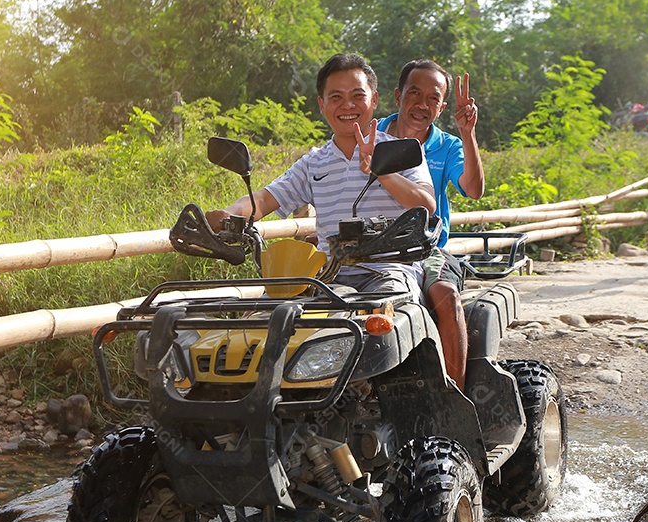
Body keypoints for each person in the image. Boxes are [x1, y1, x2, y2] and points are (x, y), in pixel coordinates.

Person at [205, 53, 436, 300]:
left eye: (358, 96)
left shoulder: (403, 150)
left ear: (374, 100)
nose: (347, 105)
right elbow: (263, 199)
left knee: (389, 314)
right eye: (336, 97)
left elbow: (426, 204)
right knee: (275, 315)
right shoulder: (313, 163)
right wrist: (228, 215)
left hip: (389, 272)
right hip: (328, 275)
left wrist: (382, 173)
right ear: (322, 105)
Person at [378, 60, 485, 390]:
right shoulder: (370, 135)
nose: (422, 104)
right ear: (398, 96)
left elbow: (473, 188)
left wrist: (467, 134)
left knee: (444, 294)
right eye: (414, 93)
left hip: (425, 251)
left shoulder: (447, 146)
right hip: (370, 247)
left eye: (433, 98)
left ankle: (455, 397)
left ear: (440, 108)